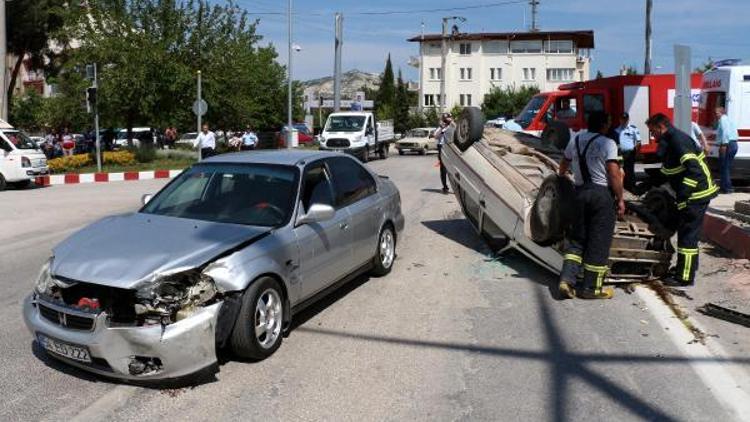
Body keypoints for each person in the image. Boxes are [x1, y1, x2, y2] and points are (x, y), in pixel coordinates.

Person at [558, 111, 624, 300]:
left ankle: (566, 280)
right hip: (600, 196)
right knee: (598, 242)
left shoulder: (576, 140)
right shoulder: (608, 143)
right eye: (609, 122)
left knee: (577, 239)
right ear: (604, 125)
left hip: (580, 194)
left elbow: (564, 162)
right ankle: (590, 289)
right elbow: (613, 172)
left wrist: (561, 178)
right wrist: (620, 199)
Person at [646, 113, 718, 287]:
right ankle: (686, 268)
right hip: (693, 193)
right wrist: (648, 184)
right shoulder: (671, 140)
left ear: (661, 127)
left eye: (652, 131)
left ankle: (684, 277)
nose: (652, 136)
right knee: (687, 234)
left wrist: (684, 197)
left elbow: (694, 171)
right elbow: (672, 170)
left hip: (696, 194)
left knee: (687, 237)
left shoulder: (678, 141)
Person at [614, 112, 641, 191]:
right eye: (622, 119)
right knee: (620, 169)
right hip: (619, 153)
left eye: (625, 119)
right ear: (620, 120)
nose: (624, 121)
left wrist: (637, 153)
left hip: (630, 153)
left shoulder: (633, 129)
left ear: (628, 119)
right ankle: (622, 187)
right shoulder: (616, 131)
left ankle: (632, 187)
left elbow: (638, 142)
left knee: (630, 170)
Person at [715, 107, 738, 194]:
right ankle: (725, 186)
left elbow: (725, 132)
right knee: (726, 166)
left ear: (721, 113)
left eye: (717, 113)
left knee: (724, 166)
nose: (716, 114)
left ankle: (727, 188)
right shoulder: (729, 119)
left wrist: (724, 144)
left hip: (728, 144)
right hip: (733, 144)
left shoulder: (723, 120)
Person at [434, 113, 455, 193]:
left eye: (447, 119)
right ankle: (445, 186)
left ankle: (456, 187)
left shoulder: (453, 126)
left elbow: (455, 128)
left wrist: (451, 121)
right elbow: (435, 135)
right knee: (443, 168)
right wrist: (442, 128)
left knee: (453, 168)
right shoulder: (440, 128)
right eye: (445, 119)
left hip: (450, 147)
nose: (446, 121)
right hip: (441, 147)